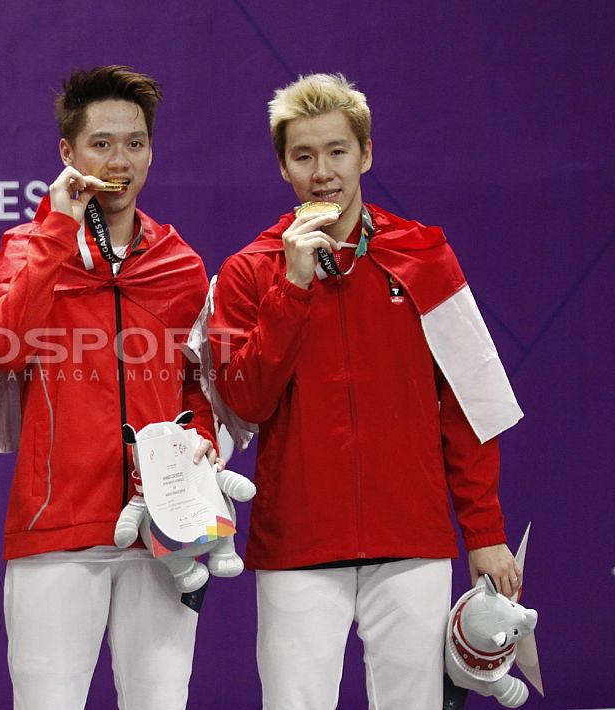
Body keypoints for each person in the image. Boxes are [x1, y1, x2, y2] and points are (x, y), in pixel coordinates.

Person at [208, 73, 524, 708]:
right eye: (304, 156)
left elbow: (471, 405)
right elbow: (245, 402)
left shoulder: (425, 255)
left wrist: (484, 530)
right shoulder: (249, 271)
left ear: (366, 154)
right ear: (283, 167)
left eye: (337, 152)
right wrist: (293, 287)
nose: (323, 172)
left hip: (412, 541)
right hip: (299, 544)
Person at [0, 66, 217, 710]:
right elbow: (1, 349)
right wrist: (57, 231)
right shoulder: (28, 247)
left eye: (135, 143)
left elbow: (199, 387)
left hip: (163, 537)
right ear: (67, 153)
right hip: (54, 531)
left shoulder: (180, 264)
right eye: (101, 143)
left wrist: (198, 445)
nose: (120, 160)